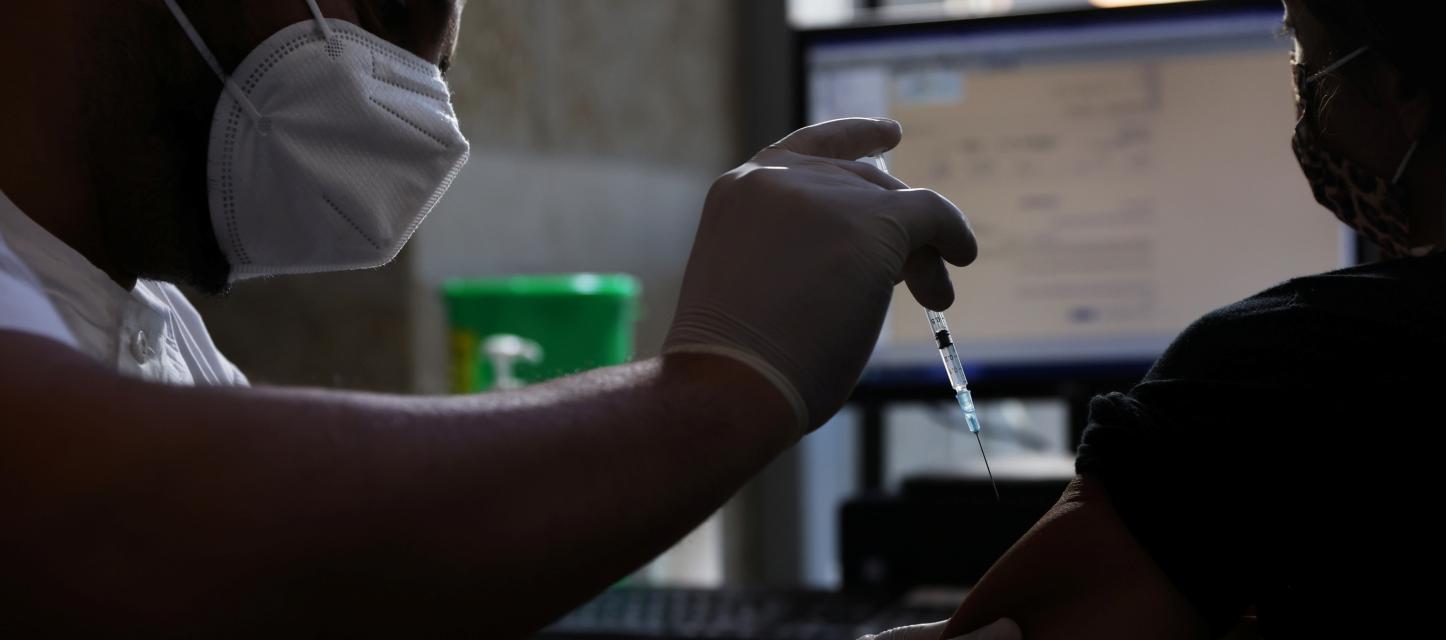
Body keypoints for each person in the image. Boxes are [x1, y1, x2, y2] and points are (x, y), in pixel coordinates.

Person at [0, 1, 1025, 637]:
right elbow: (119, 539)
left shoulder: (151, 333)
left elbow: (342, 597)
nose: (427, 41)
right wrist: (722, 386)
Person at [937, 1, 1446, 638]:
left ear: (1403, 86)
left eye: (1308, 56)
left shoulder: (1294, 363)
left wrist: (809, 356)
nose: (1307, 99)